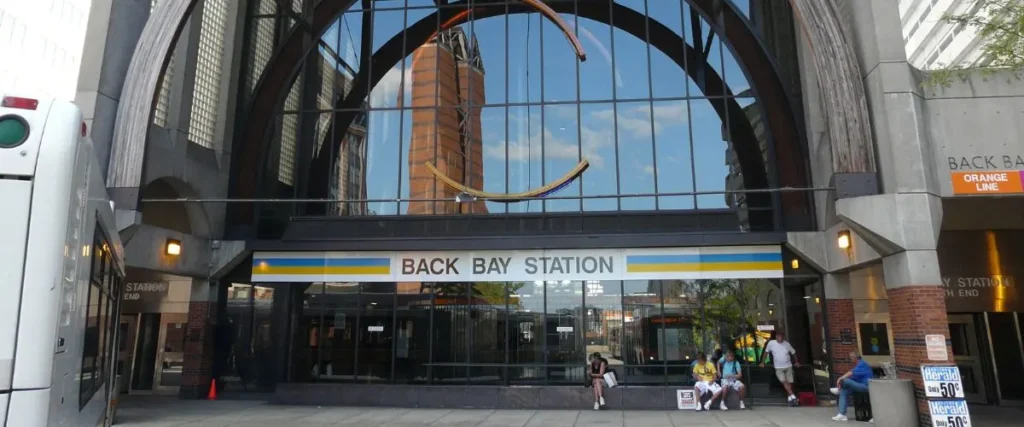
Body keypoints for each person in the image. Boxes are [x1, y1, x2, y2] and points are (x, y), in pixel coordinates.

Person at [759, 330, 800, 405]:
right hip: (778, 367)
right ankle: (793, 396)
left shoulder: (787, 344)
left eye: (781, 336)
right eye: (778, 336)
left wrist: (796, 361)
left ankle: (790, 399)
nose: (780, 338)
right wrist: (762, 362)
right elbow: (766, 352)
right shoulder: (771, 343)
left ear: (783, 337)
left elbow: (793, 352)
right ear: (776, 336)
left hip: (788, 366)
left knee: (790, 383)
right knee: (783, 381)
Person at [830, 351, 874, 422]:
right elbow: (854, 376)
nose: (850, 359)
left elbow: (851, 373)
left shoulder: (862, 364)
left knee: (846, 381)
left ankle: (839, 390)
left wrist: (840, 378)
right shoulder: (859, 365)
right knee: (845, 390)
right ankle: (842, 415)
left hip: (866, 387)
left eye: (851, 357)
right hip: (860, 385)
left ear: (854, 357)